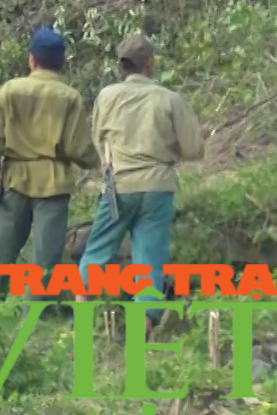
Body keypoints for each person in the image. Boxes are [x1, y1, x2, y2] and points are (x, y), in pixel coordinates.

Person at [75, 32, 204, 330]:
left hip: (118, 188)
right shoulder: (168, 99)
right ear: (149, 63)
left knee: (96, 252)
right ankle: (141, 332)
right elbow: (195, 149)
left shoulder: (107, 96)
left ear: (123, 64)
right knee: (149, 260)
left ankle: (82, 323)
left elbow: (98, 139)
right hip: (158, 188)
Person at [0, 27, 100, 302]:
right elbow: (77, 148)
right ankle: (37, 319)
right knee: (46, 260)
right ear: (63, 62)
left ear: (32, 60)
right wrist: (98, 161)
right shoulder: (70, 97)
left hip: (14, 180)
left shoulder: (10, 91)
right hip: (53, 183)